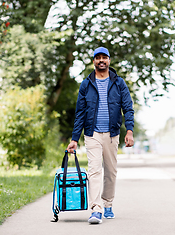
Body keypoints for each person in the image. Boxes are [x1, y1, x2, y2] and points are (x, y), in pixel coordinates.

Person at [66, 47, 134, 224]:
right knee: (94, 170)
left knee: (110, 172)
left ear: (109, 61)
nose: (101, 60)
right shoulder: (86, 84)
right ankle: (96, 209)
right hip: (92, 134)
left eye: (104, 57)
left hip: (112, 135)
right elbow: (80, 113)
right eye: (98, 58)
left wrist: (129, 130)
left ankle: (108, 203)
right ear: (94, 61)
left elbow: (128, 108)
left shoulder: (119, 83)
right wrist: (74, 139)